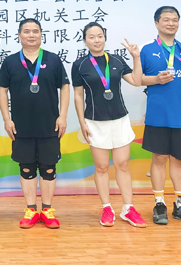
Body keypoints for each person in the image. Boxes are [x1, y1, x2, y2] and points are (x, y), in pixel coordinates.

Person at [72, 22, 146, 228]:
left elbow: (137, 81)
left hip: (120, 119)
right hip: (95, 121)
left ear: (105, 38)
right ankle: (106, 208)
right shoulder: (79, 65)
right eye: (91, 37)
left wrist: (136, 57)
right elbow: (78, 96)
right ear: (85, 40)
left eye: (100, 36)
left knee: (122, 164)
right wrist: (82, 122)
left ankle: (128, 208)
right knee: (102, 167)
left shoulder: (116, 60)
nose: (97, 40)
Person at [0, 19, 70, 229]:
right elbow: (2, 90)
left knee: (48, 168)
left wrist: (63, 116)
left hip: (50, 125)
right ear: (19, 35)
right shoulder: (10, 61)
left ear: (41, 35)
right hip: (20, 126)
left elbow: (65, 87)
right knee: (26, 168)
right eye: (27, 31)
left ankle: (47, 210)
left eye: (35, 31)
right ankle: (30, 210)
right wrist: (7, 119)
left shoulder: (53, 59)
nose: (31, 35)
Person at [139, 6, 181, 225]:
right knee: (159, 159)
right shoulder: (147, 50)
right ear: (156, 23)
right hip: (158, 115)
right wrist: (156, 79)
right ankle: (159, 204)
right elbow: (138, 79)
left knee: (178, 161)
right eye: (166, 19)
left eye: (174, 20)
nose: (171, 23)